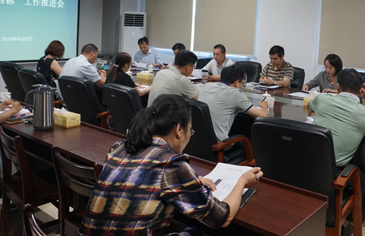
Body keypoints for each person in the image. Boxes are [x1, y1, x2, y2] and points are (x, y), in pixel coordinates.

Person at [78, 94, 262, 236]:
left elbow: (142, 178)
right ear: (179, 129)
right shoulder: (171, 164)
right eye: (190, 130)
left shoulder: (120, 147)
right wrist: (242, 181)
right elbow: (222, 217)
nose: (189, 135)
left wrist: (192, 182)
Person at [308, 68, 365, 194]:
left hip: (309, 163)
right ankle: (343, 206)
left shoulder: (322, 98)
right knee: (362, 181)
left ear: (338, 86)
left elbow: (310, 106)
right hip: (333, 172)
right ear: (361, 90)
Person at [198, 65, 268, 142]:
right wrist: (264, 106)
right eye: (242, 83)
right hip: (217, 144)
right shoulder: (235, 93)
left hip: (197, 139)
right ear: (236, 83)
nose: (241, 87)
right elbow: (263, 116)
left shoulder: (206, 86)